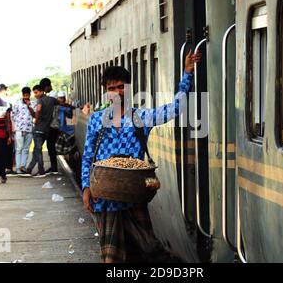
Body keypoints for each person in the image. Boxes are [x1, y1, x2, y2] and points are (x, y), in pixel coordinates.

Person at [81, 50, 201, 263]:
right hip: (105, 197)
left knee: (149, 247)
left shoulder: (141, 117)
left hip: (132, 195)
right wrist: (86, 188)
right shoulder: (97, 120)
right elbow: (88, 155)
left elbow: (175, 109)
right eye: (111, 88)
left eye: (120, 87)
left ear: (128, 88)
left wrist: (187, 74)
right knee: (112, 255)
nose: (117, 92)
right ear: (106, 93)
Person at [25, 84, 53, 177]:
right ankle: (29, 169)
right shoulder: (51, 100)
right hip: (46, 130)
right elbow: (61, 103)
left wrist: (36, 120)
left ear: (41, 91)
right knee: (36, 150)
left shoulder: (40, 100)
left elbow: (38, 110)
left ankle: (41, 170)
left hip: (38, 129)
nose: (35, 95)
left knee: (38, 150)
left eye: (36, 92)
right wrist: (29, 107)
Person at [12, 87, 36, 174]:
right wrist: (15, 127)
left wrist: (29, 106)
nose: (26, 97)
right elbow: (13, 115)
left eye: (27, 95)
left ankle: (23, 166)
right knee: (19, 149)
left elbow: (34, 115)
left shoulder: (33, 103)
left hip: (29, 129)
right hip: (19, 129)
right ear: (22, 95)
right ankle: (18, 168)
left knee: (26, 149)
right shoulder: (17, 103)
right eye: (24, 95)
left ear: (30, 95)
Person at [39, 78, 60, 175]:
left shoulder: (40, 99)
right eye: (50, 85)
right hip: (52, 126)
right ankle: (54, 167)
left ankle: (46, 167)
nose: (51, 87)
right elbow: (60, 104)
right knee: (51, 147)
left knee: (45, 146)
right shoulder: (52, 98)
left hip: (44, 126)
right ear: (46, 86)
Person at [0, 84, 15, 175]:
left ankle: (1, 168)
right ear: (5, 90)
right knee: (9, 149)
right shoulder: (8, 101)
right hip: (8, 128)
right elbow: (9, 118)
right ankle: (9, 168)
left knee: (0, 150)